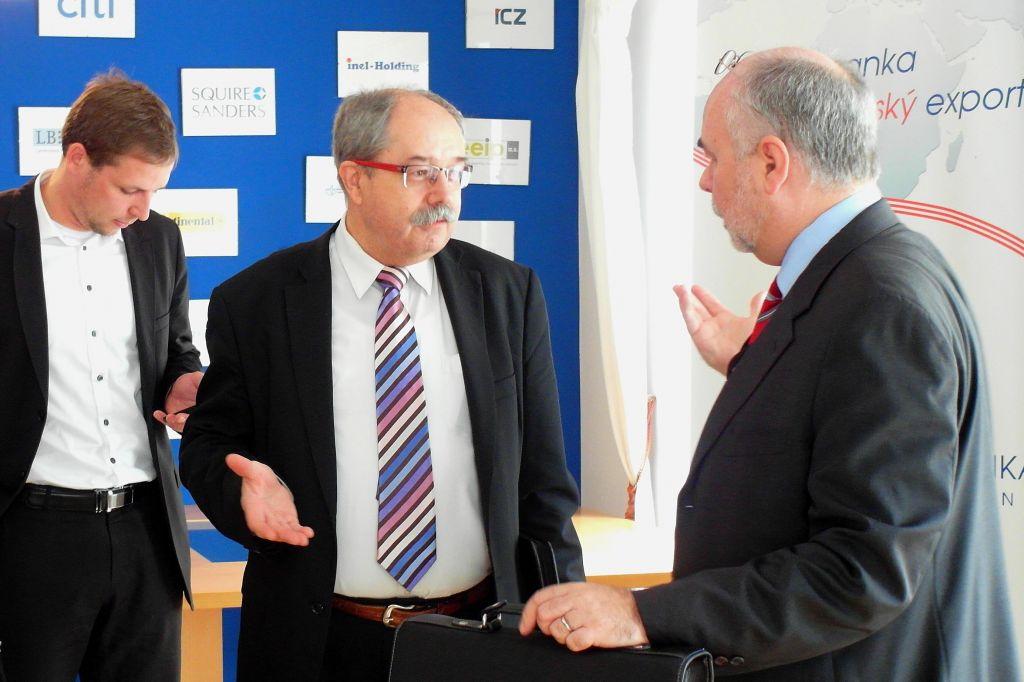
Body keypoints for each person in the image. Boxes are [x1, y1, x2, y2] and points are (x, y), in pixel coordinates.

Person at [520, 47, 1019, 680]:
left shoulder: (882, 303)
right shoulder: (866, 272)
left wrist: (643, 613)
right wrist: (752, 365)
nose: (705, 181)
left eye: (712, 157)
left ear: (772, 163)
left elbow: (863, 569)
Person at [179, 87, 584, 681]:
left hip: (479, 637)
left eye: (456, 170)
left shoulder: (506, 293)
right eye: (420, 172)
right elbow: (209, 444)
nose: (445, 194)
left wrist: (568, 617)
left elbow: (544, 481)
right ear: (355, 178)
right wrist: (238, 494)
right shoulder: (257, 301)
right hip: (322, 642)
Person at [0, 71, 203, 681]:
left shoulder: (159, 238)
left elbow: (177, 350)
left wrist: (185, 382)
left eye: (154, 191)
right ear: (77, 158)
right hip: (30, 534)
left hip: (147, 531)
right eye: (129, 189)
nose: (142, 210)